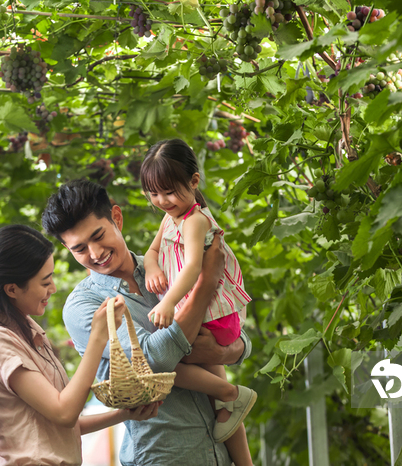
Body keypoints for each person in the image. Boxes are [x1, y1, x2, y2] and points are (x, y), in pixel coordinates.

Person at [42, 179, 254, 466]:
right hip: (164, 455)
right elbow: (154, 358)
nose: (95, 254)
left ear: (116, 217)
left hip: (222, 452)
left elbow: (227, 326)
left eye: (98, 236)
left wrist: (228, 352)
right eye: (80, 249)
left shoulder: (171, 264)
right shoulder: (84, 307)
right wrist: (205, 287)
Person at [0, 225, 160, 466]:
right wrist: (98, 337)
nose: (53, 289)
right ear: (12, 289)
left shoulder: (28, 330)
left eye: (52, 277)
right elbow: (64, 413)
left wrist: (125, 414)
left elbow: (60, 426)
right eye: (45, 282)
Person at [139, 139, 256, 459]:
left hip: (217, 313)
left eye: (169, 191)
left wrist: (166, 302)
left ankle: (229, 394)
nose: (161, 200)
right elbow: (151, 251)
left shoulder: (195, 221)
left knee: (171, 358)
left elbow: (192, 268)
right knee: (195, 362)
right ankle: (229, 403)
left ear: (193, 182)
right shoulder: (171, 218)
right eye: (154, 193)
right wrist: (151, 267)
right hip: (199, 307)